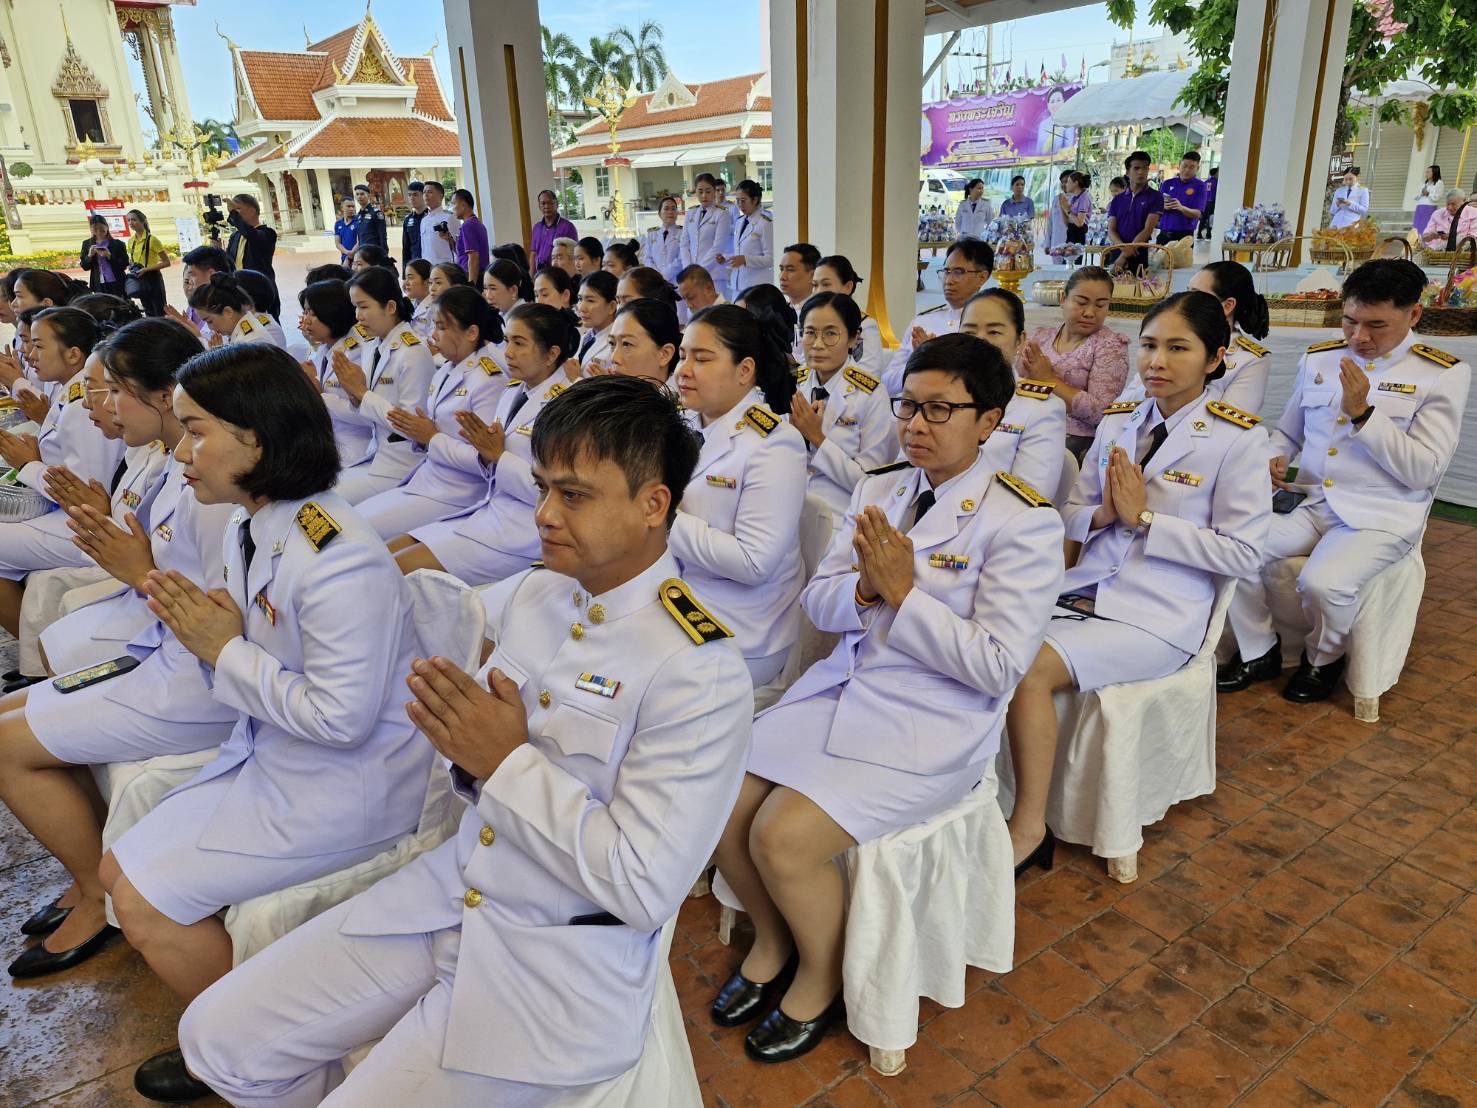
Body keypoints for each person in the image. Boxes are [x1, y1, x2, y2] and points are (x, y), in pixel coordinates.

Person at [179, 375, 751, 1106]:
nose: (543, 514)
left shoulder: (696, 670)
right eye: (542, 487)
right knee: (216, 1039)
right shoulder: (543, 594)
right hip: (453, 893)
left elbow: (643, 886)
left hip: (551, 961)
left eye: (572, 495)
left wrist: (505, 762)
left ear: (652, 504)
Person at [78, 342, 434, 1101]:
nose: (182, 453)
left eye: (197, 430)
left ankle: (266, 1057)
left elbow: (341, 721)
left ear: (258, 442)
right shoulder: (257, 521)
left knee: (142, 903)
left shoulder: (338, 557)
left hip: (347, 784)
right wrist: (217, 644)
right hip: (273, 755)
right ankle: (231, 1027)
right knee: (117, 870)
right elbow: (251, 663)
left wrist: (225, 649)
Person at [710, 332, 1064, 1063]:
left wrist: (903, 597)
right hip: (846, 687)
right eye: (908, 406)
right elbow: (820, 602)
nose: (915, 425)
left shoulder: (1021, 520)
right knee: (719, 797)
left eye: (940, 410)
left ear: (989, 421)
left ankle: (822, 976)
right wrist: (869, 587)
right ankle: (772, 942)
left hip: (933, 721)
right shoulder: (881, 487)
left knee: (780, 834)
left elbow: (997, 667)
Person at [0, 319, 240, 985]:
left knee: (5, 745)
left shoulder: (220, 494)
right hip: (163, 655)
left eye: (116, 392)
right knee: (17, 710)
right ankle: (87, 877)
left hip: (193, 679)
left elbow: (219, 624)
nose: (102, 405)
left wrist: (137, 570)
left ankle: (95, 895)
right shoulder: (183, 472)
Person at [1005, 290, 1271, 872]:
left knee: (1023, 669)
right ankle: (978, 796)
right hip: (1087, 589)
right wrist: (1102, 514)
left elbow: (1246, 553)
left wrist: (1146, 520)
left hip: (1158, 614)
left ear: (1215, 359)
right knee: (982, 641)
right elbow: (1072, 509)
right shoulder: (1122, 422)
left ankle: (1028, 828)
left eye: (1179, 348)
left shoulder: (1238, 439)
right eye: (1150, 345)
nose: (1157, 361)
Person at [1219, 259, 1471, 702]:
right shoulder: (1321, 357)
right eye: (1350, 322)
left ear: (1413, 315)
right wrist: (1274, 458)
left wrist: (1365, 416)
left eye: (1377, 325)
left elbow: (1423, 472)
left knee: (1323, 583)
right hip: (1313, 502)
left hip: (1381, 513)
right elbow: (1288, 432)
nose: (1359, 338)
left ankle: (1323, 658)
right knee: (1229, 552)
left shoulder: (1440, 373)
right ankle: (1260, 650)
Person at [389, 303, 581, 583]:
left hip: (523, 531)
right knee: (389, 552)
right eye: (506, 341)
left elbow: (560, 493)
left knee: (399, 569)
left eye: (519, 343)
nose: (508, 353)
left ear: (551, 353)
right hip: (488, 511)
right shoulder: (514, 391)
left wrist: (496, 456)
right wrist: (486, 454)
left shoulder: (567, 405)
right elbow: (490, 465)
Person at [670, 304, 805, 685]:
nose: (683, 370)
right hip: (675, 593)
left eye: (702, 358)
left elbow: (753, 563)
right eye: (683, 356)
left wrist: (662, 517)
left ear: (745, 370)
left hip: (740, 625)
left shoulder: (774, 445)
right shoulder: (682, 423)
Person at [0, 309, 125, 628]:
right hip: (73, 515)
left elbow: (84, 492)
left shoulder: (83, 405)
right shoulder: (74, 393)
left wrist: (28, 465)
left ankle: (38, 660)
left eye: (39, 345)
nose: (29, 353)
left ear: (73, 354)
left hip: (85, 523)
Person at [357, 286, 509, 539]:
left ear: (471, 332)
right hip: (428, 479)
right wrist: (419, 434)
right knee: (353, 521)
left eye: (441, 326)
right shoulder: (447, 369)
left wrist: (431, 437)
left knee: (362, 532)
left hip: (459, 492)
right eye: (433, 325)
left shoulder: (489, 380)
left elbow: (484, 460)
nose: (432, 334)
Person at [331, 267, 438, 503]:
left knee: (330, 503)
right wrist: (354, 396)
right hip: (375, 455)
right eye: (355, 307)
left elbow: (410, 424)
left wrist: (361, 393)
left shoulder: (413, 352)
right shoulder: (373, 346)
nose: (358, 315)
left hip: (404, 465)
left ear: (390, 307)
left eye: (364, 306)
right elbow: (367, 408)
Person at [790, 292, 896, 518]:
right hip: (786, 503)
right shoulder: (792, 384)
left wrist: (817, 438)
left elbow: (869, 482)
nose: (817, 345)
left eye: (830, 334)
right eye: (810, 333)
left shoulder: (871, 395)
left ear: (853, 338)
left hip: (840, 513)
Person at [1015, 266, 1131, 460]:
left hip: (1073, 439)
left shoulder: (1110, 346)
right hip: (1024, 424)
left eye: (1101, 305)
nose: (1090, 313)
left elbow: (1101, 412)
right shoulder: (1040, 336)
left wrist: (1048, 379)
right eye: (1081, 302)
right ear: (1063, 299)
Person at [960, 288, 1068, 495]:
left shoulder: (1041, 409)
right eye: (969, 332)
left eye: (994, 332)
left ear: (1020, 340)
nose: (980, 341)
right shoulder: (936, 396)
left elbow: (1030, 497)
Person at [884, 238, 994, 395]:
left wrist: (933, 358)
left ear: (982, 277)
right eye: (946, 272)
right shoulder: (923, 322)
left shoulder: (988, 327)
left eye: (958, 272)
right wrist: (917, 362)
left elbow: (985, 386)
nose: (948, 280)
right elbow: (887, 382)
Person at [298, 279, 372, 467]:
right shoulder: (325, 347)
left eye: (312, 313)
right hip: (326, 439)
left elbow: (365, 415)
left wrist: (318, 394)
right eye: (305, 312)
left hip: (354, 447)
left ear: (331, 313)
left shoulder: (358, 352)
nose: (305, 320)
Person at [1185, 260, 1272, 413]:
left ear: (1227, 305)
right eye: (1186, 292)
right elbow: (1134, 400)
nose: (1185, 300)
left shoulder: (1249, 360)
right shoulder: (1167, 339)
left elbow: (1229, 424)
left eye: (1196, 294)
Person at [811, 254, 886, 376]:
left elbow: (868, 374)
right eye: (815, 285)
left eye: (826, 284)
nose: (818, 291)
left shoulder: (864, 325)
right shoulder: (809, 322)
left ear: (847, 287)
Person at [188, 273, 287, 349]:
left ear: (228, 312)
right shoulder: (241, 330)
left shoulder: (251, 341)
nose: (210, 327)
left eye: (210, 321)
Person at [1106, 151, 1163, 270]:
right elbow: (1111, 229)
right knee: (1114, 287)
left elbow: (1147, 230)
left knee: (1138, 287)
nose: (1141, 172)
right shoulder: (1118, 199)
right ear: (1127, 172)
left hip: (1139, 253)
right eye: (1136, 168)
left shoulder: (1156, 197)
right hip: (1116, 250)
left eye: (1145, 168)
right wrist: (1123, 249)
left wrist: (1124, 256)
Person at [606, 297, 681, 386]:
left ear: (665, 354)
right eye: (612, 343)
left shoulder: (678, 399)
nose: (614, 358)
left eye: (626, 344)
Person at [719, 179, 774, 298]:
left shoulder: (765, 223)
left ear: (755, 200)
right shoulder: (740, 221)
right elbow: (740, 252)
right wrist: (726, 257)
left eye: (743, 201)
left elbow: (771, 258)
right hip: (738, 285)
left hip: (756, 287)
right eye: (737, 201)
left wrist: (746, 260)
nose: (739, 205)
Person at [681, 172, 734, 290]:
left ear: (715, 191)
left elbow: (718, 247)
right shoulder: (691, 213)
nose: (704, 195)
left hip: (713, 276)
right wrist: (688, 270)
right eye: (700, 191)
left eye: (708, 191)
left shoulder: (722, 214)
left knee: (715, 308)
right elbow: (684, 244)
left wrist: (698, 271)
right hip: (691, 277)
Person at [170, 245, 232, 345]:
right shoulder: (197, 303)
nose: (189, 282)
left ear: (211, 274)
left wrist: (197, 338)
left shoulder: (224, 307)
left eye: (192, 275)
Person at [124, 209, 171, 318]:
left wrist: (146, 269)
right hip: (139, 278)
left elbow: (167, 262)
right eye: (129, 220)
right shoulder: (131, 241)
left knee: (160, 311)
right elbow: (132, 260)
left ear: (142, 221)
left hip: (153, 278)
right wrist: (131, 266)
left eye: (134, 220)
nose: (131, 223)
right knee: (148, 310)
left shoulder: (152, 240)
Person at [223, 195, 277, 283]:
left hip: (260, 288)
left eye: (238, 209)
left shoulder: (268, 233)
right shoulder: (235, 236)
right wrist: (217, 248)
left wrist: (233, 213)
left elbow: (250, 234)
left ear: (252, 211)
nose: (234, 212)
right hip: (238, 288)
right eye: (234, 210)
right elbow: (228, 262)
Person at [575, 269, 619, 372]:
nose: (581, 308)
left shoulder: (617, 344)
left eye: (590, 300)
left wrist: (575, 378)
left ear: (611, 307)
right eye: (580, 299)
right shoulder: (586, 337)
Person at [1158, 151, 1206, 243]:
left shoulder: (1200, 186)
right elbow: (1156, 208)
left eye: (1192, 167)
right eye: (1185, 166)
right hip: (1164, 235)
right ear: (1179, 165)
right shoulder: (1167, 184)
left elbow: (1197, 214)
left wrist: (1181, 208)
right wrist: (1163, 206)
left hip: (1184, 237)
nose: (1187, 170)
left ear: (1197, 168)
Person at [528, 187, 578, 269]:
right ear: (539, 206)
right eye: (543, 203)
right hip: (540, 273)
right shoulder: (537, 227)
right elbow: (533, 254)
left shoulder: (568, 227)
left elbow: (574, 253)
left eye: (550, 203)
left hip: (559, 273)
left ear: (557, 204)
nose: (546, 206)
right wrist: (532, 279)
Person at [81, 215, 128, 296]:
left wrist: (109, 256)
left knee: (121, 306)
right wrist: (89, 256)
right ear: (91, 229)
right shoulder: (87, 244)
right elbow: (85, 267)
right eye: (95, 229)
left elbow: (124, 265)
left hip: (117, 283)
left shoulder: (118, 244)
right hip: (99, 284)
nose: (99, 231)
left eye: (102, 229)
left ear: (107, 227)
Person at [447, 188, 487, 284]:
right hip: (480, 274)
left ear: (463, 205)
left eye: (453, 204)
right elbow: (463, 254)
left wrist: (471, 284)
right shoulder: (476, 223)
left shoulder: (468, 225)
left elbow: (473, 257)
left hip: (471, 275)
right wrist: (450, 240)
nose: (451, 208)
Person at [645, 196, 685, 283]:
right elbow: (648, 258)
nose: (670, 212)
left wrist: (663, 276)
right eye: (666, 209)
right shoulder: (652, 234)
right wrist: (656, 276)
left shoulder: (683, 233)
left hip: (675, 281)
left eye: (673, 209)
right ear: (659, 213)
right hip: (655, 281)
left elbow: (681, 259)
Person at [420, 181, 459, 266]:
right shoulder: (424, 221)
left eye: (430, 192)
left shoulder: (449, 217)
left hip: (446, 267)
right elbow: (424, 248)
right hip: (428, 268)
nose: (426, 195)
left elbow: (459, 245)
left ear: (440, 196)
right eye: (424, 192)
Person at [777, 242, 821, 315]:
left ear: (813, 275)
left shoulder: (823, 311)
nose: (782, 277)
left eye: (790, 270)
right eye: (781, 269)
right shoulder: (780, 312)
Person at [352, 183, 389, 263]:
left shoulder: (376, 213)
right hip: (363, 253)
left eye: (362, 194)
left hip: (375, 253)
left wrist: (384, 255)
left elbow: (382, 235)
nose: (359, 196)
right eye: (357, 194)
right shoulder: (359, 215)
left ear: (368, 195)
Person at [404, 258, 436, 341]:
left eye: (410, 278)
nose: (406, 283)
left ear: (427, 281)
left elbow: (433, 344)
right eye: (405, 278)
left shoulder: (435, 308)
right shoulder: (410, 304)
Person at [1043, 170, 1074, 253]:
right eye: (1062, 182)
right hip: (1055, 243)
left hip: (1071, 244)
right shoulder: (1056, 199)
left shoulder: (1078, 199)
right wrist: (1047, 244)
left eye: (1067, 181)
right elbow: (1050, 222)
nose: (1064, 184)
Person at [401, 180, 426, 272]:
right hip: (415, 264)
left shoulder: (431, 217)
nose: (412, 198)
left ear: (424, 196)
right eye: (409, 195)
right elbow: (406, 248)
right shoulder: (408, 220)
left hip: (431, 264)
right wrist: (405, 273)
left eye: (415, 195)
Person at [1065, 171, 1093, 246]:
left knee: (1074, 256)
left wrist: (1067, 210)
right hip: (1071, 231)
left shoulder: (1084, 198)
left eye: (1068, 182)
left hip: (1078, 233)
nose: (1066, 185)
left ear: (1076, 183)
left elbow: (1080, 223)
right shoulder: (1074, 197)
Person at [333, 197, 358, 266]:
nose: (351, 209)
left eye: (353, 206)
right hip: (344, 259)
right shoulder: (338, 224)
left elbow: (360, 241)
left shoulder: (359, 221)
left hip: (357, 260)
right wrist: (347, 253)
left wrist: (351, 254)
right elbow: (337, 243)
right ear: (342, 207)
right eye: (348, 206)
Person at [1197, 167, 1220, 241]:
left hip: (1204, 202)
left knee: (1203, 219)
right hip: (1212, 203)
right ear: (1216, 173)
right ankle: (1208, 235)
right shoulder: (1217, 183)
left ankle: (1199, 235)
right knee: (1210, 219)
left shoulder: (1206, 182)